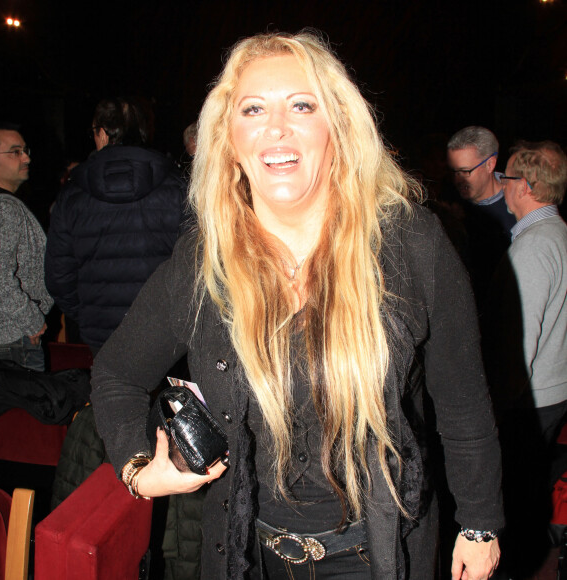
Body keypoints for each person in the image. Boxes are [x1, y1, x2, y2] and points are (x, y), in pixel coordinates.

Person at [91, 32, 503, 580]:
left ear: (337, 128)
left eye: (302, 105)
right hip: (248, 554)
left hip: (378, 553)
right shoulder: (203, 261)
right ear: (229, 140)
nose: (276, 126)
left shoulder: (412, 244)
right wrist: (140, 469)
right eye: (253, 108)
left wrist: (479, 526)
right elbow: (117, 373)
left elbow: (463, 403)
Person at [45, 97, 189, 355]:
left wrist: (89, 313)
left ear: (101, 133)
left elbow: (59, 275)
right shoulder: (177, 186)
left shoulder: (72, 194)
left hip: (101, 334)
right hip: (165, 330)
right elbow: (197, 264)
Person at [486, 141, 567, 576]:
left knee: (517, 496)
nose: (501, 187)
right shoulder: (559, 234)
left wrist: (496, 408)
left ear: (527, 186)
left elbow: (520, 346)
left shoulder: (534, 248)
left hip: (530, 400)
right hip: (553, 391)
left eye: (507, 178)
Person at [0, 123, 53, 371]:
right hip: (13, 339)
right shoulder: (2, 207)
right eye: (15, 152)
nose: (26, 157)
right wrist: (32, 321)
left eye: (25, 150)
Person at [446, 126, 516, 312]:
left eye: (466, 171)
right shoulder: (447, 205)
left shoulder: (520, 202)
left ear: (490, 164)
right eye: (453, 172)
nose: (458, 179)